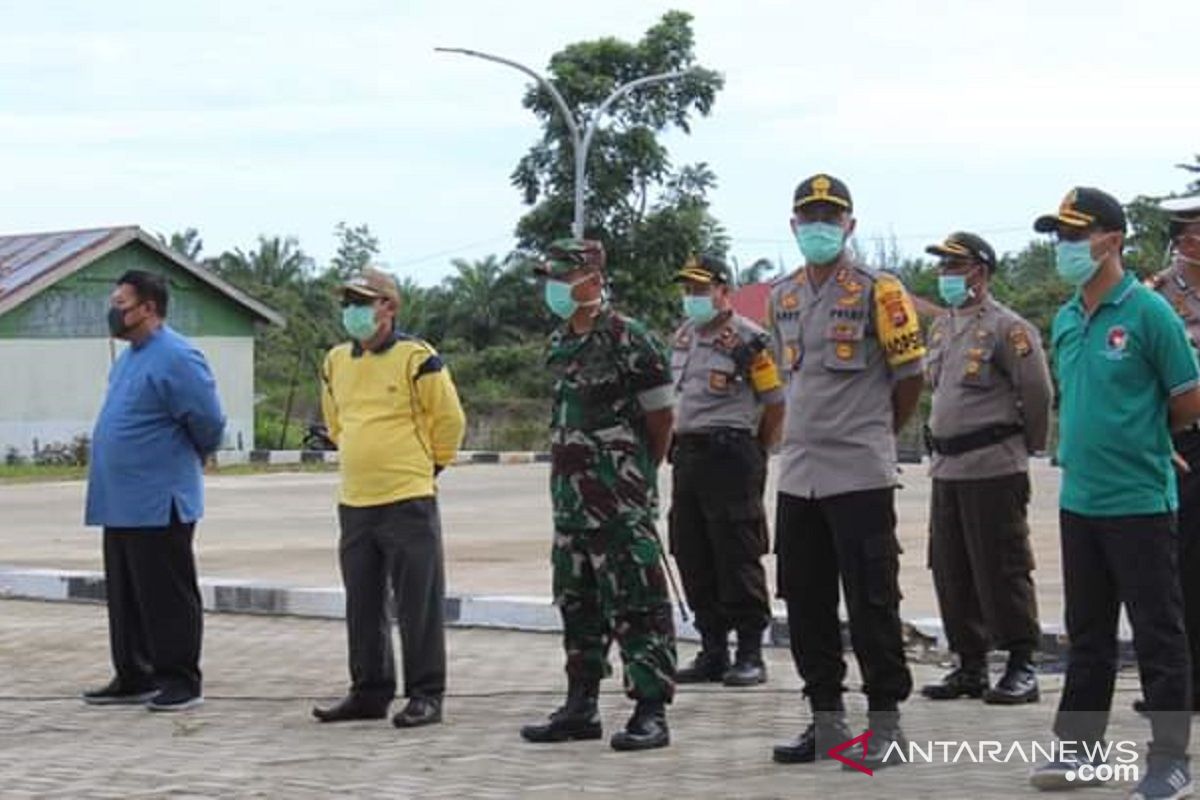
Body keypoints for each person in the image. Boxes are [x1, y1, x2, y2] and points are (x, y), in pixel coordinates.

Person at [1028, 188, 1200, 800]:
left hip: (1141, 501)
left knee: (1158, 635)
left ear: (1112, 239)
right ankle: (1079, 753)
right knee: (1089, 635)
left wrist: (1147, 439)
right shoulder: (1069, 317)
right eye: (1060, 236)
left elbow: (1187, 397)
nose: (1066, 247)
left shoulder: (1149, 311)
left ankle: (1170, 760)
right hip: (1081, 500)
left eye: (1078, 234)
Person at [768, 174, 925, 769]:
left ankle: (886, 723)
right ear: (793, 226)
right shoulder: (784, 295)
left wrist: (879, 432)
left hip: (858, 470)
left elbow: (910, 377)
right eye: (809, 218)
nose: (819, 228)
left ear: (850, 226)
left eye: (830, 219)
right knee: (805, 601)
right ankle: (826, 721)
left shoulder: (879, 291)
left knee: (871, 601)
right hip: (799, 472)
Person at [519, 238, 677, 752]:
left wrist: (635, 475)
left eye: (563, 276)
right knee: (577, 602)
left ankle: (650, 710)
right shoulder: (560, 341)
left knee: (637, 603)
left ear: (592, 276)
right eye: (550, 277)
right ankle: (580, 705)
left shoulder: (630, 339)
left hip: (618, 501)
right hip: (569, 503)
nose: (554, 287)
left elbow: (661, 420)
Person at [313, 267, 466, 729]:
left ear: (389, 308)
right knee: (362, 602)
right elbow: (336, 423)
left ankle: (425, 694)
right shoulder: (336, 360)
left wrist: (427, 467)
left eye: (363, 302)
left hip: (408, 497)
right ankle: (369, 690)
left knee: (417, 601)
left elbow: (449, 421)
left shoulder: (418, 358)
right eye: (348, 303)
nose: (354, 312)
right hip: (356, 499)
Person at [82, 270, 225, 712]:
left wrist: (198, 454)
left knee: (167, 596)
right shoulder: (127, 359)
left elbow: (208, 421)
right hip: (120, 500)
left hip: (158, 500)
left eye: (121, 304)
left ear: (148, 308)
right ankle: (135, 674)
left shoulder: (178, 356)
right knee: (128, 597)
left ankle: (181, 680)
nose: (114, 312)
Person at [920, 232, 1052, 706]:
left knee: (1002, 566)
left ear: (981, 270)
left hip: (994, 465)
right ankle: (969, 663)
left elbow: (1037, 394)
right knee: (951, 568)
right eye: (943, 266)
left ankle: (1021, 664)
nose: (946, 274)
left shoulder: (1008, 328)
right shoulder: (942, 328)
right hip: (947, 467)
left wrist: (1027, 448)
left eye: (955, 265)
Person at [669, 253, 785, 687]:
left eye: (701, 289)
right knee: (692, 549)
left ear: (723, 291)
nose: (693, 298)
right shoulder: (683, 337)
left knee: (737, 551)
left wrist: (758, 450)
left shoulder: (751, 341)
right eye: (688, 290)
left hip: (732, 454)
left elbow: (775, 404)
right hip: (689, 454)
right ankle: (712, 648)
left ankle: (751, 652)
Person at [1144, 195, 1200, 716]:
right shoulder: (1156, 298)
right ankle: (1183, 682)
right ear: (1183, 239)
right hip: (1184, 442)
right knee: (1180, 562)